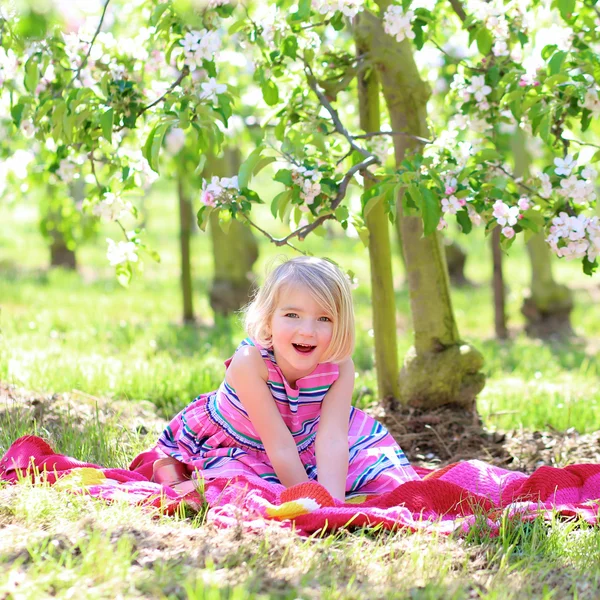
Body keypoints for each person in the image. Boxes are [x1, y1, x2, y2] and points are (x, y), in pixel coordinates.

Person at [151, 256, 418, 501]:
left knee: (379, 471)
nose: (307, 331)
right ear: (268, 321)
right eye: (292, 315)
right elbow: (278, 446)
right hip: (240, 444)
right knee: (241, 490)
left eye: (324, 318)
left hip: (305, 442)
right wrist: (312, 501)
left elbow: (333, 438)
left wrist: (333, 504)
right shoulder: (250, 362)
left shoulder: (339, 367)